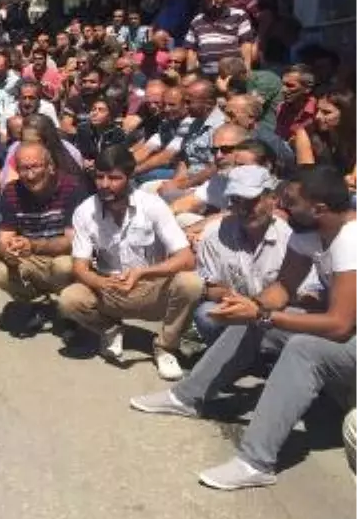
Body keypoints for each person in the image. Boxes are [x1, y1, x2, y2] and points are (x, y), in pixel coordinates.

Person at [129, 166, 357, 491]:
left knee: (304, 349)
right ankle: (188, 397)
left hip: (348, 334)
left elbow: (339, 325)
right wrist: (252, 307)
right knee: (252, 315)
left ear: (318, 208)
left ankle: (256, 462)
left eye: (290, 202)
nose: (283, 207)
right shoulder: (310, 234)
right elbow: (281, 290)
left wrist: (266, 316)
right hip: (347, 331)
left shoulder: (351, 239)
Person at [59, 145, 204, 380]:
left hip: (152, 287)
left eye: (114, 178)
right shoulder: (85, 211)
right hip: (110, 287)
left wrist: (143, 272)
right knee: (70, 299)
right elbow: (79, 266)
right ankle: (109, 329)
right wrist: (99, 282)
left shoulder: (153, 206)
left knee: (191, 283)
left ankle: (166, 347)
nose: (105, 184)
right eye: (100, 177)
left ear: (129, 177)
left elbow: (185, 258)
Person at [0, 142, 86, 335]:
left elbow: (72, 242)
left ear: (50, 167)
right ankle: (39, 304)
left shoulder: (72, 188)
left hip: (62, 255)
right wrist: (8, 251)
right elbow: (3, 238)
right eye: (24, 168)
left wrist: (33, 245)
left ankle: (68, 309)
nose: (30, 174)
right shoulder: (11, 192)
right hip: (30, 257)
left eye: (35, 166)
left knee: (64, 266)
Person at [187, 165, 291, 344]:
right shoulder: (215, 235)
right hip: (234, 307)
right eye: (236, 201)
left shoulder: (289, 239)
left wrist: (257, 307)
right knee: (206, 314)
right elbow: (209, 285)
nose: (243, 209)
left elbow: (302, 294)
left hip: (273, 313)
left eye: (251, 201)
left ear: (273, 199)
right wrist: (231, 300)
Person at [184, 0, 255, 76]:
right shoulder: (197, 21)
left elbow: (246, 44)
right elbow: (191, 50)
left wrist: (247, 68)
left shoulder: (239, 15)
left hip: (232, 73)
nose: (213, 4)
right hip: (206, 74)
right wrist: (190, 73)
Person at [293, 89, 357, 186]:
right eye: (317, 110)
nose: (318, 116)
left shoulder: (353, 137)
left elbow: (353, 179)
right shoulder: (306, 134)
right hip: (317, 191)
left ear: (346, 114)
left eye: (326, 112)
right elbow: (308, 177)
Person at [275, 65, 317, 142]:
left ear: (307, 89)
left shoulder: (317, 112)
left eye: (290, 86)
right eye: (283, 85)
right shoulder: (281, 108)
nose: (283, 90)